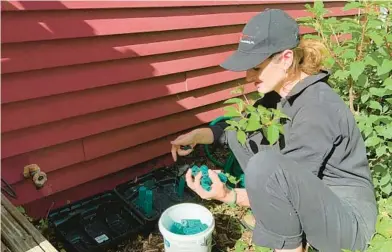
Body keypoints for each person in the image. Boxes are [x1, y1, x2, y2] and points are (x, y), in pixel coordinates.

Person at [170, 9, 377, 252]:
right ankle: (282, 229)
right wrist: (197, 135)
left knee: (265, 165)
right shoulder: (278, 96)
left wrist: (228, 194)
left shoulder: (317, 108)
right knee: (243, 135)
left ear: (286, 59)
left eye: (256, 68)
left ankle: (289, 246)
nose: (248, 77)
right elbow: (234, 130)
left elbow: (279, 186)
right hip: (317, 200)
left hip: (349, 222)